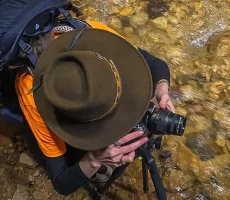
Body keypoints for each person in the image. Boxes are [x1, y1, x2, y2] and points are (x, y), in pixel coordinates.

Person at [14, 18, 175, 196]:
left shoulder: (93, 33)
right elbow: (61, 183)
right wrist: (95, 159)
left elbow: (155, 64)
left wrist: (161, 91)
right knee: (77, 155)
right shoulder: (31, 91)